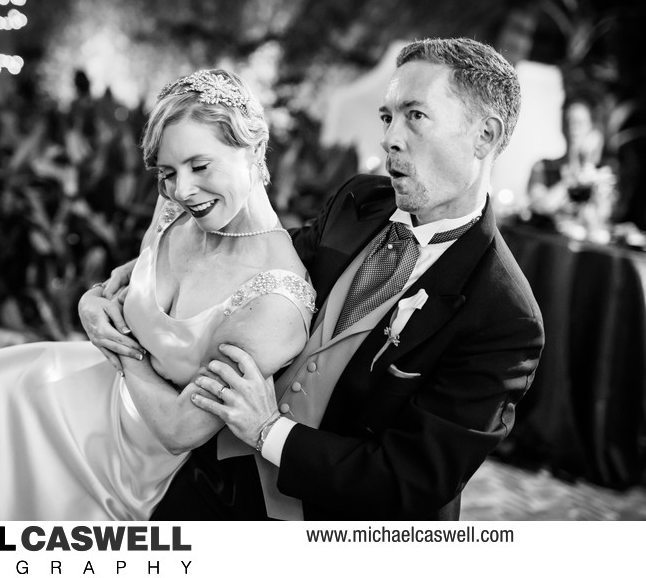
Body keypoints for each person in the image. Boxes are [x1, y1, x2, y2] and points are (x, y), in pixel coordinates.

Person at [83, 37, 545, 520]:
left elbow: (412, 481)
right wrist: (116, 287)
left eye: (415, 115)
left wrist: (268, 431)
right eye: (387, 116)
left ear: (485, 136)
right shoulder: (360, 201)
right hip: (219, 481)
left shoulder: (505, 317)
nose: (389, 137)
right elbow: (256, 260)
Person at [0, 69, 317, 520]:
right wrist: (91, 303)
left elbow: (178, 428)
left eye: (200, 165)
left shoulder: (276, 298)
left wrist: (121, 349)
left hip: (138, 464)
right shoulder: (174, 208)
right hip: (93, 391)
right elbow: (117, 290)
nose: (183, 189)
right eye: (168, 171)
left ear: (254, 149)